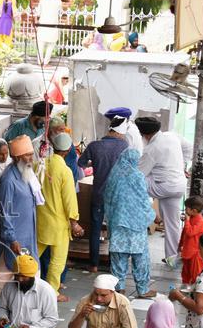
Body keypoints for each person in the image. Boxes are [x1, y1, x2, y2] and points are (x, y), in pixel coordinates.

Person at [78, 110, 130, 271]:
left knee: (95, 228)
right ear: (120, 132)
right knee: (115, 230)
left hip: (98, 194)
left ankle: (93, 265)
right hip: (117, 196)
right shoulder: (125, 146)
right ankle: (114, 265)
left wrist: (96, 164)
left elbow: (82, 163)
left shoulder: (95, 145)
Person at [0, 135, 40, 301]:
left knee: (27, 274)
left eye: (31, 154)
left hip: (28, 236)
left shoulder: (26, 173)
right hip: (14, 239)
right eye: (27, 155)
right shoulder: (9, 180)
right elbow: (4, 212)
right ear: (17, 157)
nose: (30, 158)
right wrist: (12, 239)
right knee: (0, 280)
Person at [133, 116, 188, 261]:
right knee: (172, 223)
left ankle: (146, 213)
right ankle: (172, 258)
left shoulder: (152, 149)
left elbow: (138, 174)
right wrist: (184, 166)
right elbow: (189, 148)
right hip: (179, 185)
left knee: (132, 183)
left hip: (163, 186)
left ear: (145, 135)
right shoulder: (172, 136)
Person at [104, 147, 156, 297]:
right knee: (140, 258)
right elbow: (142, 200)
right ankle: (143, 289)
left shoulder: (113, 175)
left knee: (118, 258)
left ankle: (118, 287)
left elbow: (107, 198)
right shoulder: (137, 176)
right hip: (136, 225)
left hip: (117, 223)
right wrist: (151, 215)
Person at [35, 133, 83, 295]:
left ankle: (24, 282)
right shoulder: (64, 171)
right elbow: (69, 199)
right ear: (69, 149)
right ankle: (51, 293)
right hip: (58, 223)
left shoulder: (39, 165)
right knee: (57, 260)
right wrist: (74, 221)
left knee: (33, 256)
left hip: (40, 220)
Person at [60, 274, 139, 328]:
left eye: (103, 295)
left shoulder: (122, 303)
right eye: (96, 294)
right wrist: (81, 315)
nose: (99, 299)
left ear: (112, 292)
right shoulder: (85, 300)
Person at [179, 195, 203, 284]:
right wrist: (180, 244)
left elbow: (189, 232)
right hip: (188, 251)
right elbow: (184, 233)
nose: (185, 210)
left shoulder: (201, 222)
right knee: (185, 273)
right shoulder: (192, 218)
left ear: (194, 210)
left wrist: (187, 221)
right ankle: (186, 288)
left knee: (196, 274)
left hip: (195, 253)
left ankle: (196, 291)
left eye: (186, 208)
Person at [35, 0, 62, 66]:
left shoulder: (42, 1)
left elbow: (38, 13)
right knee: (51, 45)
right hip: (53, 26)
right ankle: (46, 63)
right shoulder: (58, 1)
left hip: (42, 25)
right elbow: (59, 13)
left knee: (40, 44)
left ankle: (40, 62)